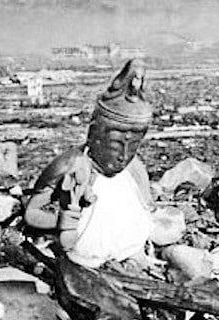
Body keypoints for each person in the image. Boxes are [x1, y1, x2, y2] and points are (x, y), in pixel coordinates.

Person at [24, 59, 155, 268]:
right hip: (84, 254)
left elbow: (147, 205)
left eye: (132, 147)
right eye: (115, 145)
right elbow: (32, 214)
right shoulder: (72, 165)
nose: (123, 156)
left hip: (129, 247)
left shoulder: (134, 168)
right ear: (95, 134)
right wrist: (65, 220)